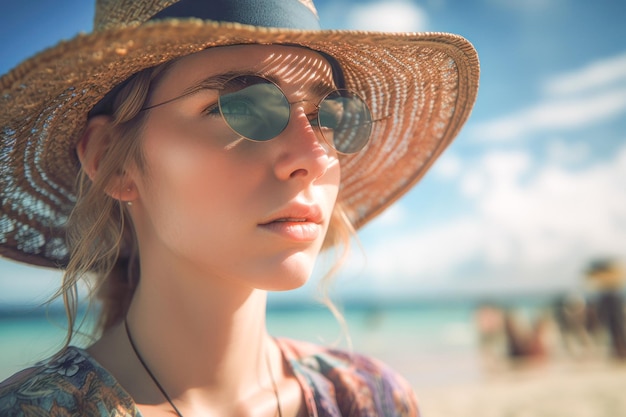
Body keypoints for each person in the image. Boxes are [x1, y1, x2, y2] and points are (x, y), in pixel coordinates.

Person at [0, 0, 479, 415]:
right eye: (242, 108)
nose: (315, 157)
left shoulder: (373, 400)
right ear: (111, 160)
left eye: (330, 116)